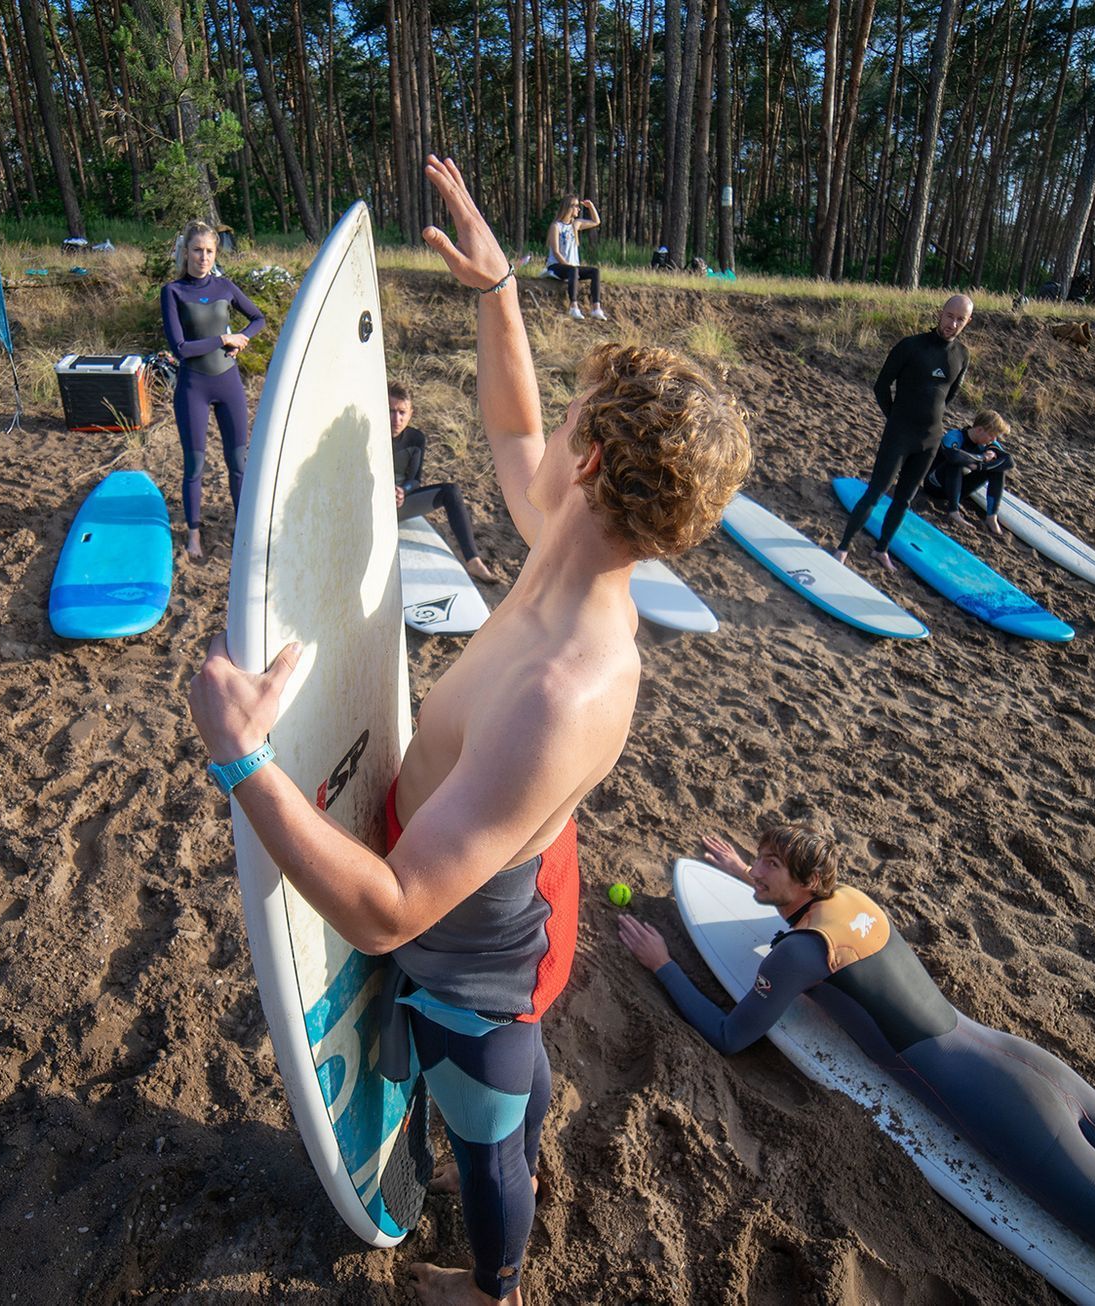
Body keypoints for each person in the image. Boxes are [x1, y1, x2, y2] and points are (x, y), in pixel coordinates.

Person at [187, 155, 749, 1306]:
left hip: (474, 962)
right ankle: (518, 1143)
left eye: (574, 421)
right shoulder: (570, 543)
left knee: (487, 1136)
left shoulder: (565, 687)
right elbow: (513, 423)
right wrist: (498, 294)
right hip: (496, 879)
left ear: (592, 464)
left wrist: (244, 760)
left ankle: (495, 1287)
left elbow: (389, 908)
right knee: (510, 1103)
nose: (551, 431)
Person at [619, 823, 1095, 1306]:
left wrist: (664, 966)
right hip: (1026, 1063)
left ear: (804, 884)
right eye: (754, 860)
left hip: (1007, 1111)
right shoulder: (846, 900)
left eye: (767, 866)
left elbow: (732, 1036)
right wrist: (747, 873)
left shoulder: (797, 953)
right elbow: (803, 922)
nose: (755, 872)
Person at [834, 295, 973, 571]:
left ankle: (881, 549)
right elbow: (881, 386)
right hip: (899, 434)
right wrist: (895, 417)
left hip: (930, 440)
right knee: (876, 491)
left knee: (904, 500)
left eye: (960, 319)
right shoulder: (910, 346)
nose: (953, 324)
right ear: (941, 313)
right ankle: (843, 547)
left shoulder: (962, 355)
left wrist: (928, 420)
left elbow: (949, 395)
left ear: (968, 321)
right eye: (950, 316)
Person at [161, 219, 268, 559]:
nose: (203, 257)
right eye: (197, 250)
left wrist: (243, 339)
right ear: (185, 252)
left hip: (228, 382)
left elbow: (258, 318)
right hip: (193, 385)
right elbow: (180, 348)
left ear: (215, 252)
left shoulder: (225, 287)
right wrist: (223, 338)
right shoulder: (173, 292)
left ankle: (243, 527)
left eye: (209, 251)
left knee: (238, 462)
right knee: (195, 464)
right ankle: (194, 534)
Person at [390, 383, 500, 582]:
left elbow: (415, 480)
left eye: (402, 412)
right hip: (371, 504)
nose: (396, 419)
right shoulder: (371, 436)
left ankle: (473, 561)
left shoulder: (415, 439)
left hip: (399, 503)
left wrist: (403, 491)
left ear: (411, 413)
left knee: (451, 491)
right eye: (391, 411)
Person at [925, 410, 1013, 537]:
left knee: (998, 469)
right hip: (934, 485)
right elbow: (954, 456)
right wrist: (982, 457)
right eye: (991, 435)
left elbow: (1009, 461)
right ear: (979, 430)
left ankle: (991, 517)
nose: (994, 440)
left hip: (958, 491)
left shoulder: (988, 444)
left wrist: (980, 465)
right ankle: (954, 512)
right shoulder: (955, 436)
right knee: (956, 462)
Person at [544, 196, 606, 320]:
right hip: (556, 265)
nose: (579, 209)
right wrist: (568, 266)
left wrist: (591, 206)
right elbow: (556, 252)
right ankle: (573, 307)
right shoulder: (556, 226)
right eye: (576, 206)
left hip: (573, 268)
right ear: (569, 207)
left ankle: (596, 308)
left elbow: (596, 221)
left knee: (595, 271)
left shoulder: (575, 225)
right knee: (573, 270)